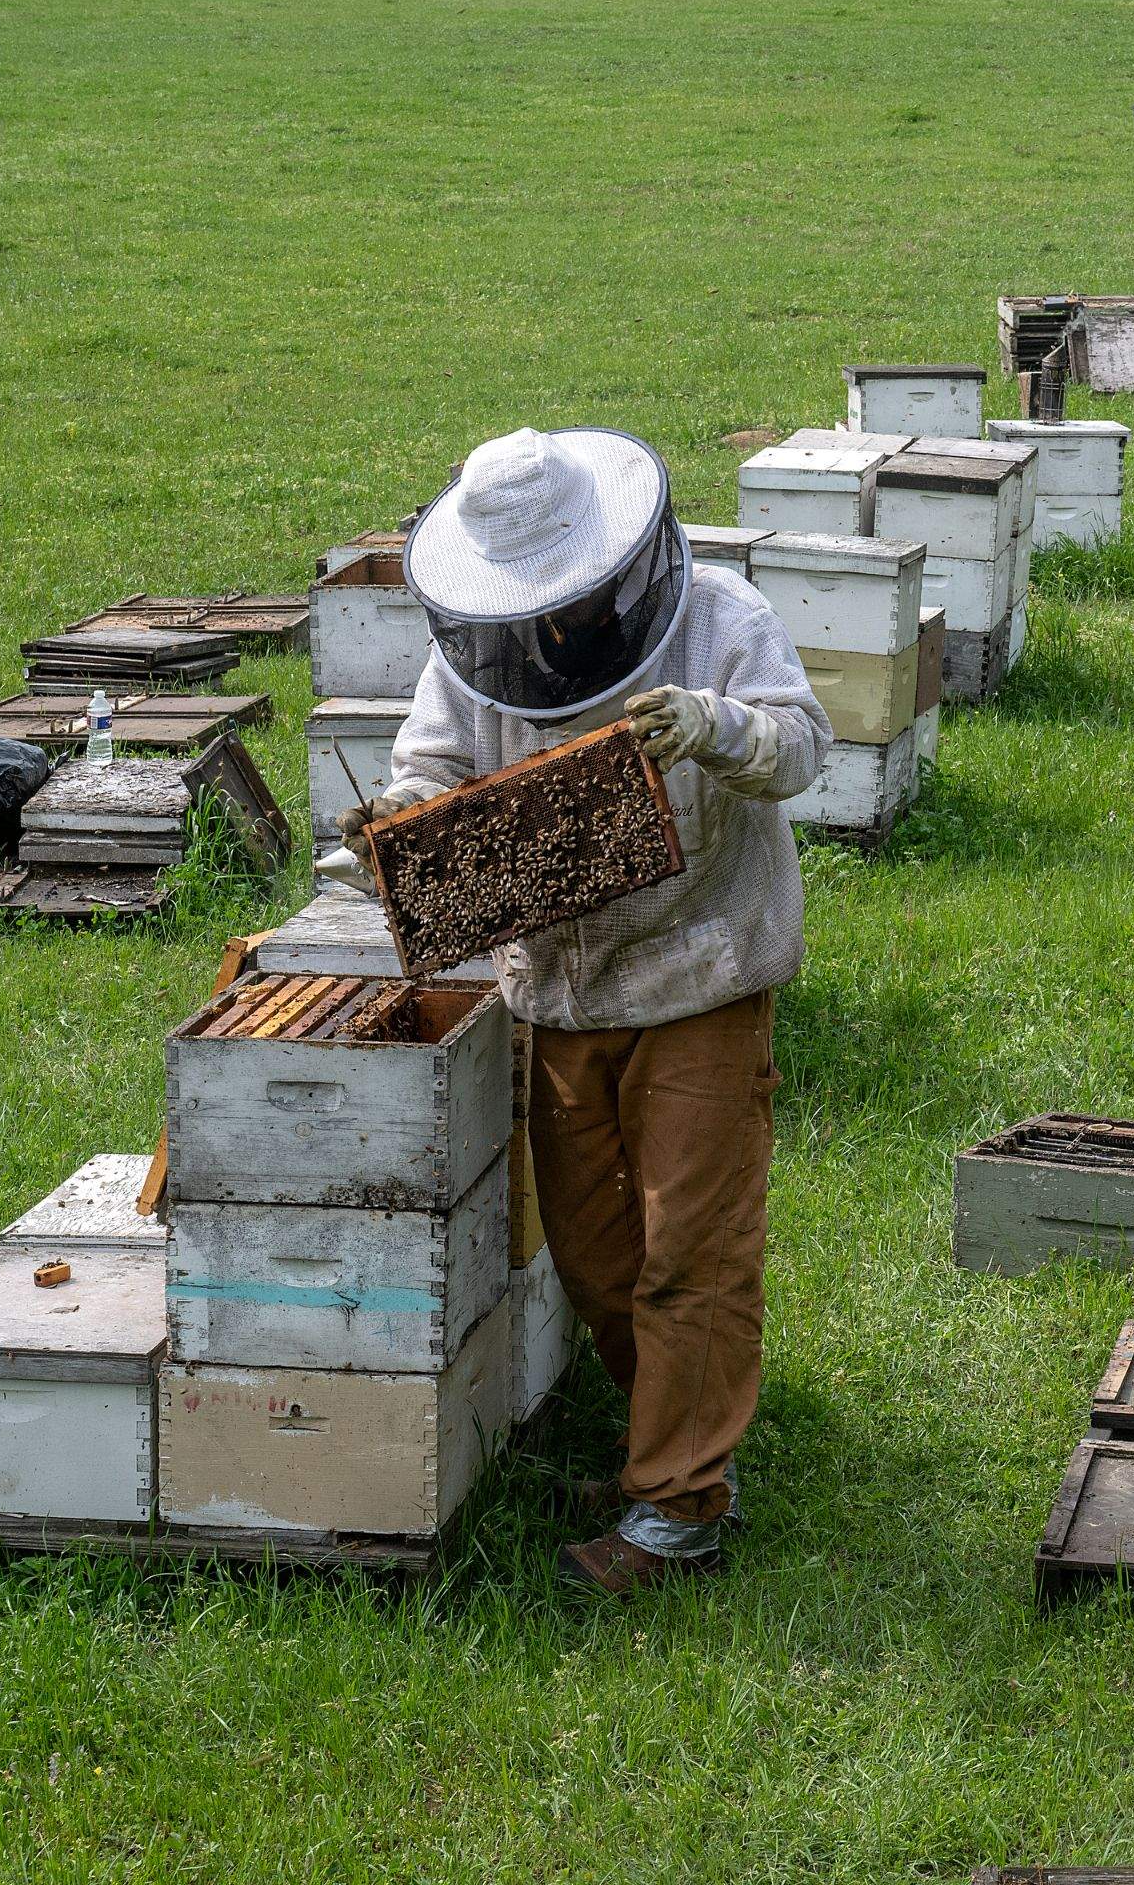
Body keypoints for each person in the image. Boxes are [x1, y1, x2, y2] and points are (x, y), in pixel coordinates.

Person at [338, 425, 831, 1596]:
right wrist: (405, 820)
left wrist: (717, 726)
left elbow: (803, 745)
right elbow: (433, 764)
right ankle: (669, 1449)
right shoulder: (475, 657)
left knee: (689, 1255)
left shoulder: (719, 617)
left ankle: (682, 1507)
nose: (554, 630)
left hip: (702, 974)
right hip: (557, 991)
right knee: (599, 1253)